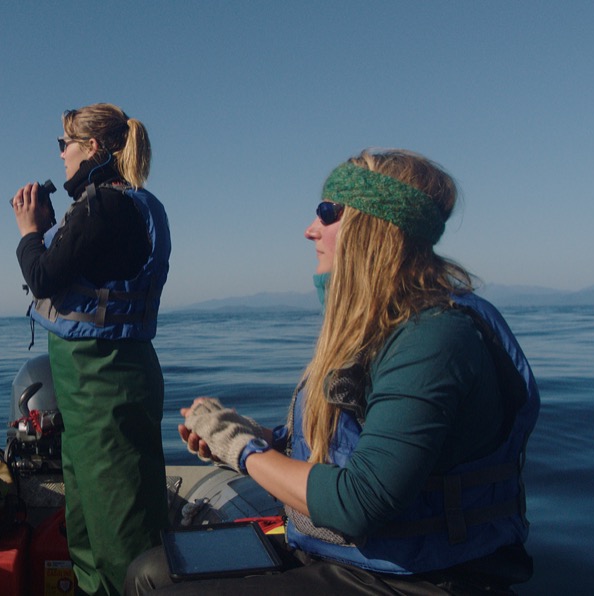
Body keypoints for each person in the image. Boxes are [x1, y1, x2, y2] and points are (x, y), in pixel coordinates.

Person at [125, 149, 539, 595]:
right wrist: (262, 437)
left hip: (417, 579)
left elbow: (358, 502)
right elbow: (354, 446)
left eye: (328, 213)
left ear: (374, 226)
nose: (310, 230)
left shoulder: (433, 338)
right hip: (352, 556)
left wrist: (241, 450)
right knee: (149, 571)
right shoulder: (381, 325)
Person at [10, 103, 172, 596]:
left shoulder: (105, 207)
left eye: (65, 144)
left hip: (108, 387)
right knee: (85, 525)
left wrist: (30, 230)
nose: (60, 155)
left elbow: (42, 274)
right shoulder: (114, 206)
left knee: (122, 535)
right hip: (92, 390)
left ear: (92, 148)